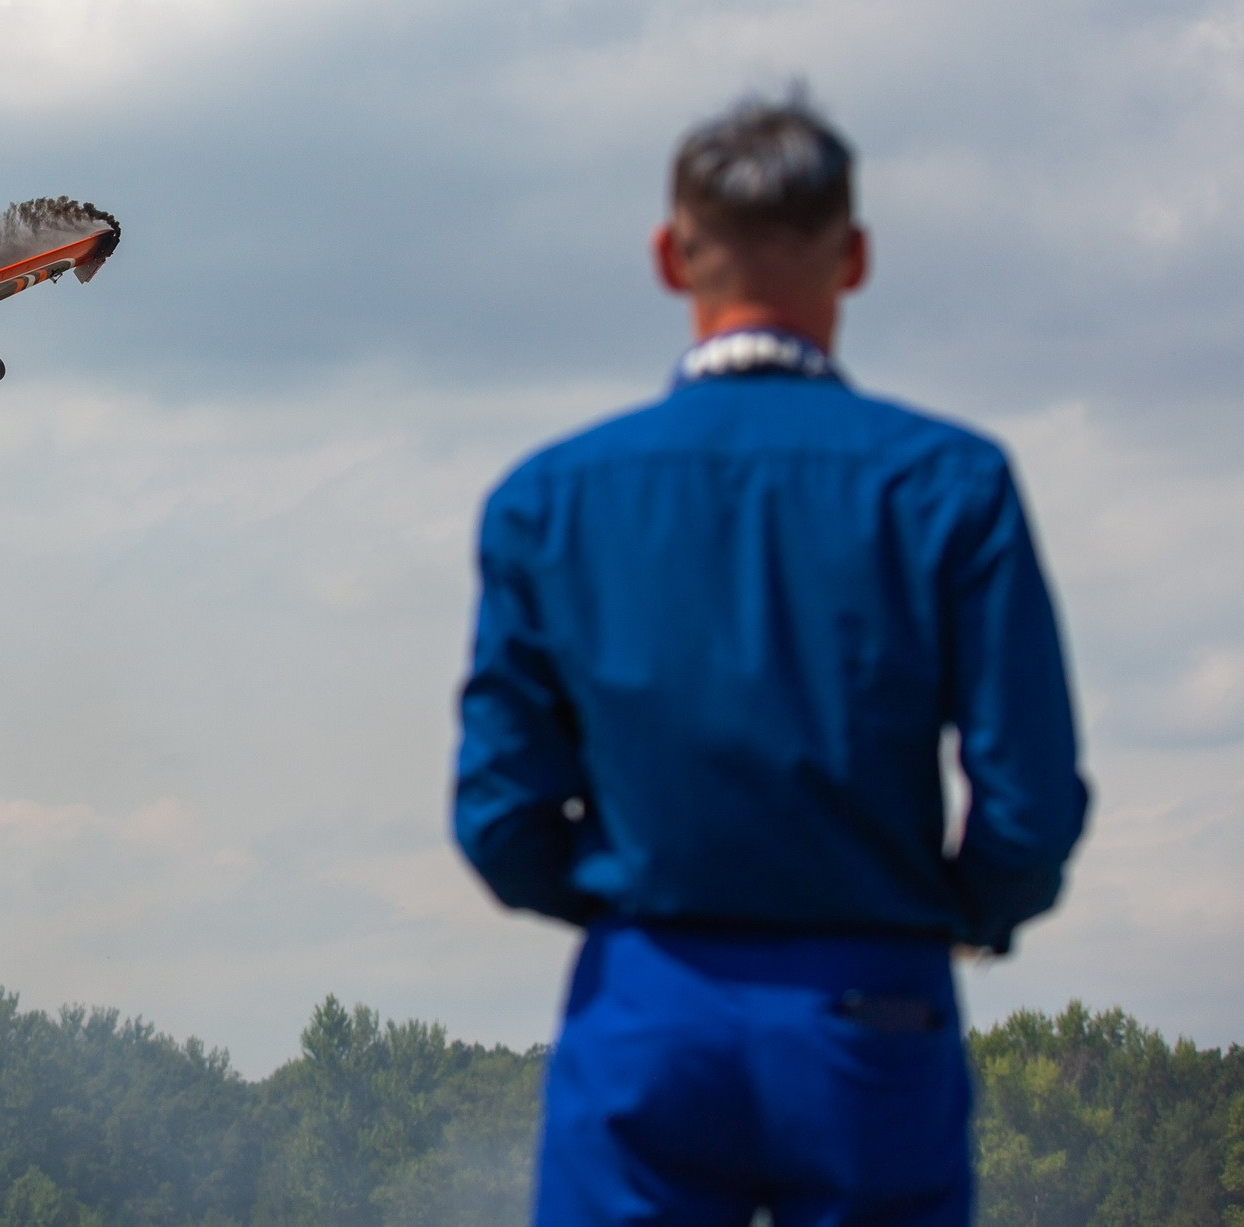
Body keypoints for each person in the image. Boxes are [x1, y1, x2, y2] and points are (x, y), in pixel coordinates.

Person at [452, 93, 1090, 1226]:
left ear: (666, 255)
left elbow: (499, 816)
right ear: (854, 257)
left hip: (646, 1005)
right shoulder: (951, 484)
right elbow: (1028, 803)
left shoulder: (547, 500)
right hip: (870, 1005)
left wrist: (618, 898)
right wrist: (953, 907)